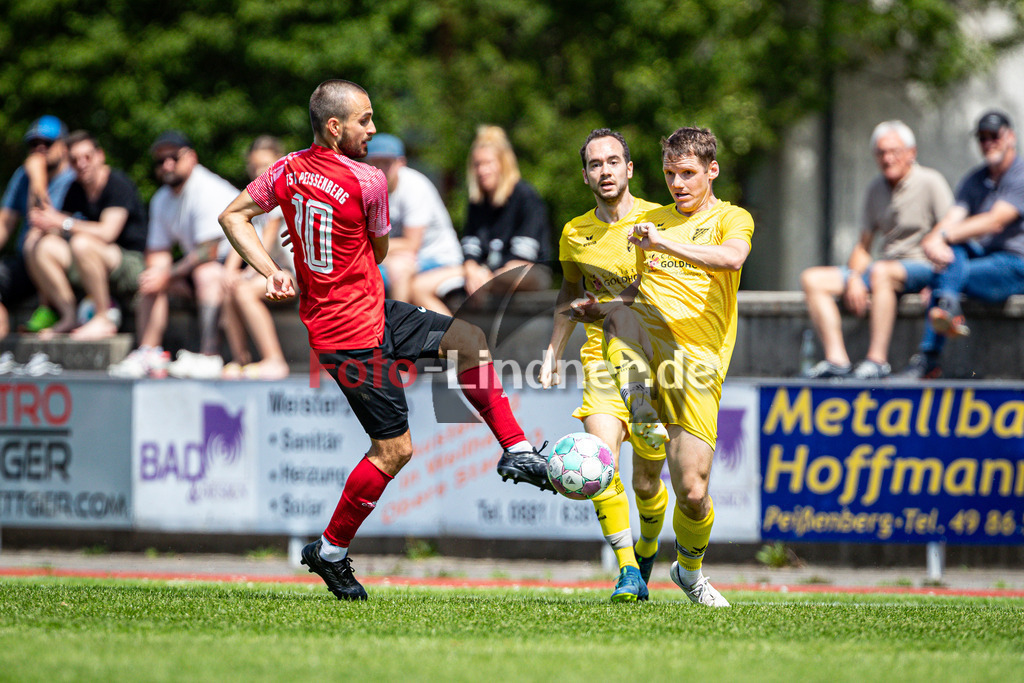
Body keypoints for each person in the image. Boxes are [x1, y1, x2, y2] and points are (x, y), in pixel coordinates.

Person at [218, 79, 552, 601]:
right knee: (395, 450)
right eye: (364, 121)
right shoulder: (369, 180)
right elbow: (376, 251)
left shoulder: (284, 170)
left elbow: (233, 216)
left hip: (372, 311)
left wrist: (271, 269)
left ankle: (517, 449)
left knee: (468, 338)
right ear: (335, 127)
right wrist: (298, 252)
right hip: (347, 337)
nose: (372, 130)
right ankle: (329, 553)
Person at [571, 126, 754, 607]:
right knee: (602, 456)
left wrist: (665, 245)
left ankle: (688, 571)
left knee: (693, 492)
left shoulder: (731, 219)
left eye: (689, 174)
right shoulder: (649, 222)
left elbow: (733, 259)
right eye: (671, 174)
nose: (678, 184)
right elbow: (630, 292)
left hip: (696, 371)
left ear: (712, 171)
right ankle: (628, 567)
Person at [539, 129, 667, 602]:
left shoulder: (660, 220)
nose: (605, 171)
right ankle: (628, 570)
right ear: (586, 174)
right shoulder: (575, 231)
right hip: (601, 360)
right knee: (598, 461)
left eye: (614, 161)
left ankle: (649, 548)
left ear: (630, 169)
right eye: (596, 164)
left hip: (659, 365)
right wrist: (553, 351)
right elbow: (569, 293)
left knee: (647, 480)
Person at [800, 121, 953, 379]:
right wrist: (855, 278)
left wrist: (943, 281)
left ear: (911, 153)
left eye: (894, 151)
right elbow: (863, 246)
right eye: (881, 152)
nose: (887, 158)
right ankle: (837, 360)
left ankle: (877, 360)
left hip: (922, 266)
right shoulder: (875, 188)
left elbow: (952, 232)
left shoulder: (930, 182)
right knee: (812, 279)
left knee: (882, 271)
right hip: (886, 266)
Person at [900, 110, 1024, 379]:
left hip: (1016, 266)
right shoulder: (975, 178)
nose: (988, 142)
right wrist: (934, 240)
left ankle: (929, 358)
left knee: (946, 267)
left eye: (994, 135)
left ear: (1011, 137)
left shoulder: (1020, 174)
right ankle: (948, 307)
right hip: (986, 259)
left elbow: (995, 221)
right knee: (951, 252)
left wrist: (941, 241)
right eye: (982, 137)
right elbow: (951, 220)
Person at [108, 131, 237, 379]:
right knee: (152, 276)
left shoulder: (207, 188)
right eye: (160, 160)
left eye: (174, 158)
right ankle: (149, 351)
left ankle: (210, 356)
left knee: (205, 274)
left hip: (236, 264)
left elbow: (210, 251)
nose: (167, 165)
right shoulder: (161, 200)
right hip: (196, 268)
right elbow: (158, 254)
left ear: (191, 157)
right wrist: (157, 275)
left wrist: (166, 274)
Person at [25, 130, 148, 339]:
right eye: (74, 160)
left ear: (100, 155)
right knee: (37, 244)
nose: (81, 164)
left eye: (87, 157)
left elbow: (107, 233)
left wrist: (61, 221)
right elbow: (46, 220)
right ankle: (68, 315)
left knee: (82, 243)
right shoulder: (75, 188)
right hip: (89, 262)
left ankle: (103, 318)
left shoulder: (118, 184)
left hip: (130, 263)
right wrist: (37, 176)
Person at [364, 133, 465, 316]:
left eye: (387, 163)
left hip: (438, 258)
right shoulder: (368, 190)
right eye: (376, 162)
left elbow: (412, 244)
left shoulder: (414, 187)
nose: (380, 169)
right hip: (397, 256)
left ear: (401, 163)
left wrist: (369, 247)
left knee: (399, 269)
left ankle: (397, 337)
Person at [220, 136, 291, 379]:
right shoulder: (254, 197)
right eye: (254, 167)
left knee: (243, 290)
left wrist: (247, 273)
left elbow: (267, 241)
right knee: (229, 286)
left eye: (265, 166)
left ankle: (275, 360)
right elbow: (240, 235)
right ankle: (239, 359)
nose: (259, 171)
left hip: (293, 273)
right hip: (270, 271)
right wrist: (228, 271)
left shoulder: (282, 194)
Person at [0, 116, 76, 337]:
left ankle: (62, 312)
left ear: (63, 146)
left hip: (60, 257)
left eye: (47, 143)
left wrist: (37, 177)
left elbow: (40, 219)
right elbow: (5, 223)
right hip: (26, 261)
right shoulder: (22, 175)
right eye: (34, 145)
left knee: (36, 238)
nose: (40, 149)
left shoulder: (74, 176)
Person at [461, 125, 551, 299]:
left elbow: (522, 257)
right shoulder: (476, 202)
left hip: (525, 271)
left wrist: (486, 276)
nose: (481, 170)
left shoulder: (526, 196)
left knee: (512, 275)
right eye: (477, 164)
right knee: (429, 282)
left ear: (503, 164)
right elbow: (469, 245)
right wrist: (471, 268)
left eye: (488, 163)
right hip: (486, 274)